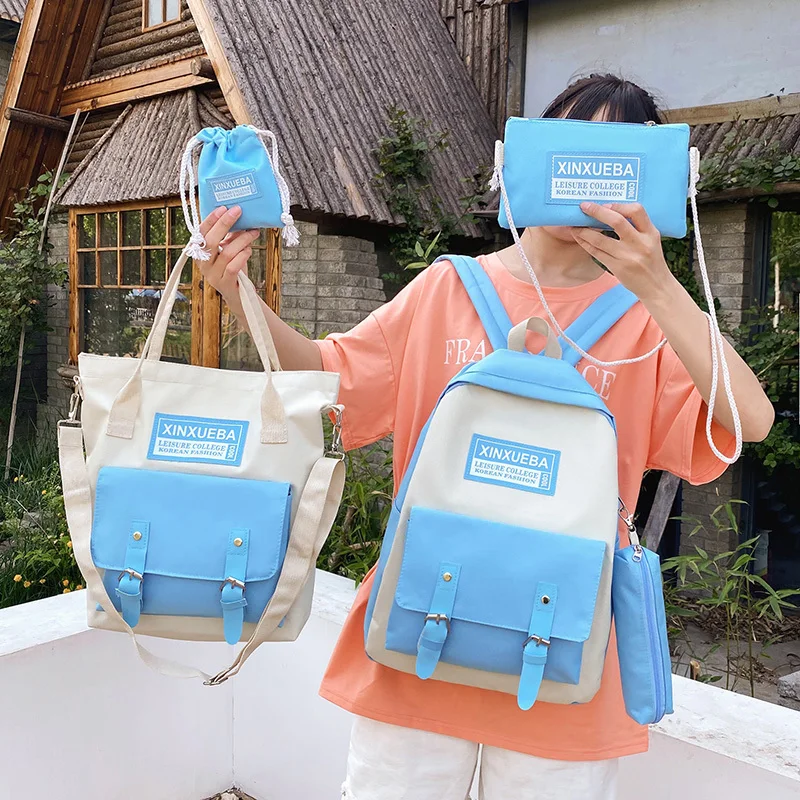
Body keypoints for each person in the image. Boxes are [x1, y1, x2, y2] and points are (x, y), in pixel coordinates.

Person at [197, 75, 774, 800]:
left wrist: (659, 285)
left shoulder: (648, 323)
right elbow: (327, 380)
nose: (588, 180)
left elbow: (749, 421)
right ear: (527, 156)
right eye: (571, 148)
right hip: (422, 627)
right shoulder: (447, 289)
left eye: (616, 160)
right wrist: (236, 291)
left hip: (563, 645)